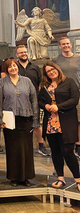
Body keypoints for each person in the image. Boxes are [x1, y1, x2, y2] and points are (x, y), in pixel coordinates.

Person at [0, 59, 39, 187]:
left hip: (25, 119)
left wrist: (35, 119)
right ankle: (13, 177)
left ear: (18, 66)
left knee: (26, 149)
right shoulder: (2, 83)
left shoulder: (27, 81)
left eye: (14, 65)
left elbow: (34, 100)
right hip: (9, 119)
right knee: (12, 149)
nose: (13, 68)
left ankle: (26, 177)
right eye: (10, 67)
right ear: (6, 69)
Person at [38, 61, 80, 190]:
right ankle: (60, 178)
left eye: (53, 69)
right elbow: (39, 101)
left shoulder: (69, 82)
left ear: (58, 68)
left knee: (68, 151)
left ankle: (78, 179)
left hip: (66, 121)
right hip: (51, 122)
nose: (51, 72)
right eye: (48, 71)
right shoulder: (45, 85)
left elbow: (74, 99)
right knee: (55, 151)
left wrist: (58, 107)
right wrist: (45, 106)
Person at [16, 45, 50, 156]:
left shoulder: (34, 67)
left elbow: (41, 82)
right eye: (21, 52)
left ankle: (41, 146)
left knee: (36, 122)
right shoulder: (15, 66)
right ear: (17, 55)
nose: (24, 54)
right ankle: (22, 146)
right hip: (19, 99)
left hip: (34, 98)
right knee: (21, 123)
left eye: (25, 52)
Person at [52, 37, 80, 157]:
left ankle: (78, 145)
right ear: (59, 46)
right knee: (66, 120)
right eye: (63, 44)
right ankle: (67, 144)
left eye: (68, 43)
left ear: (71, 45)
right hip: (62, 93)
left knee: (78, 120)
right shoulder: (56, 60)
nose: (66, 46)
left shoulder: (78, 58)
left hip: (77, 91)